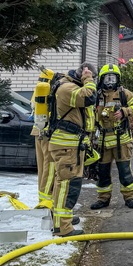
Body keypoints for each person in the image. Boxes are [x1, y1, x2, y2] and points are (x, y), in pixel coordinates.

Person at [48, 62, 98, 236]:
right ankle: (63, 226)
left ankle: (60, 218)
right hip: (67, 145)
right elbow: (90, 97)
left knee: (62, 183)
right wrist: (88, 79)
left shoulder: (69, 86)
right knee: (68, 185)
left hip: (70, 144)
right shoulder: (67, 88)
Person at [91, 64, 133, 210]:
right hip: (102, 141)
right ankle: (103, 199)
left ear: (118, 79)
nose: (110, 81)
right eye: (107, 78)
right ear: (101, 79)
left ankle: (130, 197)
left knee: (124, 170)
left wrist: (125, 111)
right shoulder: (96, 95)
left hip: (122, 140)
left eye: (113, 78)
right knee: (102, 172)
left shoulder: (123, 93)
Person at [30, 68, 59, 208]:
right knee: (50, 169)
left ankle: (42, 200)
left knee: (42, 169)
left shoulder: (38, 90)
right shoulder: (49, 91)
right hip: (48, 134)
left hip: (38, 131)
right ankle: (47, 204)